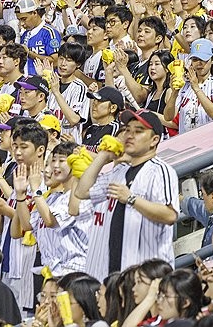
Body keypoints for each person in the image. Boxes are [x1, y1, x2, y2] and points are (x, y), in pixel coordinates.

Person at [75, 109, 179, 278]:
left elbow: (170, 215)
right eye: (128, 130)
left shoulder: (160, 171)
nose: (130, 135)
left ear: (154, 140)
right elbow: (82, 191)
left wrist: (131, 198)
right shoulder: (120, 172)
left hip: (148, 275)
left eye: (138, 131)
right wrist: (102, 156)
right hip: (115, 273)